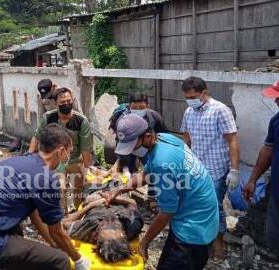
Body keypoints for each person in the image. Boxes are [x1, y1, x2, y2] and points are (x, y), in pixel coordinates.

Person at [0, 124, 90, 270]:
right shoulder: (46, 178)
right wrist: (78, 260)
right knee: (60, 260)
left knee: (18, 230)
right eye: (69, 152)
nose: (69, 157)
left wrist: (53, 245)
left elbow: (35, 215)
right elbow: (56, 231)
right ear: (61, 151)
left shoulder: (21, 161)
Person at [103, 113, 219, 270]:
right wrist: (120, 189)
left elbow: (166, 212)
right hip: (206, 215)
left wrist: (144, 243)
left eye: (133, 146)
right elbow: (146, 174)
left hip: (193, 227)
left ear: (148, 136)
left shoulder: (162, 163)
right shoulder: (164, 138)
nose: (131, 152)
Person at [180, 76, 240, 259]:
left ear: (204, 93)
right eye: (187, 97)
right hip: (196, 169)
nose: (189, 100)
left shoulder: (220, 110)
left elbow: (232, 141)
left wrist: (235, 170)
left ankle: (218, 240)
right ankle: (201, 238)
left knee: (214, 206)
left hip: (216, 170)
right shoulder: (189, 112)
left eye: (192, 97)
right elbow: (187, 139)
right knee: (195, 204)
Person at [29, 87, 93, 210]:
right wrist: (29, 155)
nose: (66, 104)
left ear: (72, 100)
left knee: (78, 189)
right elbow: (36, 137)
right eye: (62, 102)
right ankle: (62, 215)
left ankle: (79, 212)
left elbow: (86, 148)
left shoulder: (81, 121)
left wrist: (87, 170)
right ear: (56, 103)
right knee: (60, 187)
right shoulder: (48, 118)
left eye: (69, 101)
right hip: (56, 160)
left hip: (75, 160)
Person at [62, 179, 143, 263]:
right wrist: (114, 198)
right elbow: (132, 203)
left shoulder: (87, 230)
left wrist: (90, 205)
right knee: (116, 179)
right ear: (124, 234)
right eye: (115, 226)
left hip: (95, 192)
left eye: (105, 225)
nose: (110, 218)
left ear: (95, 235)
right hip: (118, 191)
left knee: (89, 183)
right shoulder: (132, 226)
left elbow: (63, 222)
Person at [243, 80, 279, 253]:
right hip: (277, 194)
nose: (276, 101)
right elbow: (267, 150)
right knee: (274, 239)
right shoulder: (276, 121)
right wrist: (252, 180)